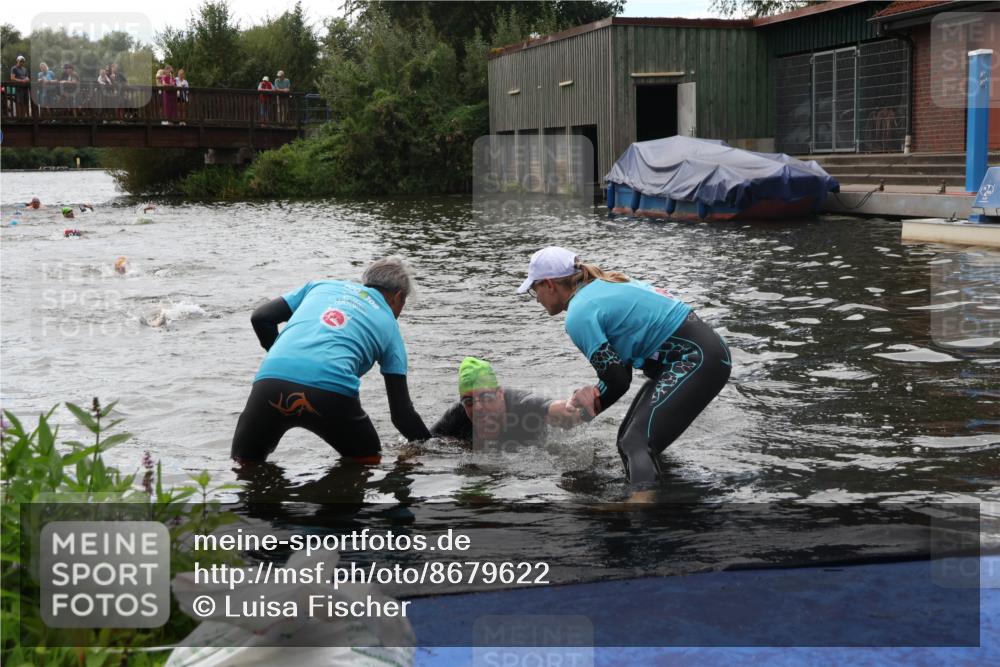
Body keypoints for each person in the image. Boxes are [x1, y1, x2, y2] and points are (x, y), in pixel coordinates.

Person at [518, 247, 732, 485]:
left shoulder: (578, 313)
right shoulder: (600, 287)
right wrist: (589, 401)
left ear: (549, 284)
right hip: (702, 354)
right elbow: (619, 373)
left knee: (635, 443)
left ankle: (639, 513)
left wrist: (581, 413)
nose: (536, 298)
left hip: (696, 359)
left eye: (534, 289)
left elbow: (618, 380)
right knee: (626, 441)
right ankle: (664, 494)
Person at [231, 256, 431, 464]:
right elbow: (402, 415)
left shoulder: (320, 286)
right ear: (398, 297)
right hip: (330, 393)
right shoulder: (390, 326)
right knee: (368, 460)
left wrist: (283, 360)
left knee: (244, 465)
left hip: (270, 383)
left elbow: (261, 317)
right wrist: (430, 448)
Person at [432, 357, 588, 446]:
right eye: (469, 401)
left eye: (486, 397)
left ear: (500, 393)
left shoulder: (523, 406)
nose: (478, 407)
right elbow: (421, 443)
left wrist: (574, 409)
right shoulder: (458, 414)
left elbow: (553, 407)